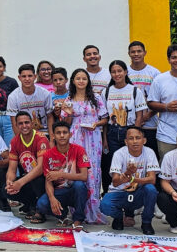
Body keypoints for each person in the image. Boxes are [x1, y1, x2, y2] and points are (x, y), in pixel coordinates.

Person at [65, 69, 107, 224]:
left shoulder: (96, 97)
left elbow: (105, 118)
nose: (81, 81)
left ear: (88, 81)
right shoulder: (69, 98)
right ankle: (77, 211)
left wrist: (96, 124)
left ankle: (93, 211)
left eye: (84, 78)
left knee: (92, 171)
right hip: (75, 137)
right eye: (78, 78)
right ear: (73, 81)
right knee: (76, 169)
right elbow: (66, 123)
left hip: (93, 137)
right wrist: (68, 113)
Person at [102, 126, 159, 233]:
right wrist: (127, 173)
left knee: (151, 189)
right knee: (105, 205)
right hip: (120, 192)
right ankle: (119, 217)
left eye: (138, 138)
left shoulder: (149, 152)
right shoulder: (119, 154)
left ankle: (146, 222)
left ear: (144, 140)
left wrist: (133, 179)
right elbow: (115, 182)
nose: (135, 141)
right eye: (131, 138)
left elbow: (152, 180)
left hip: (138, 193)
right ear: (126, 141)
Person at [102, 60, 150, 191]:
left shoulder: (135, 91)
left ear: (125, 72)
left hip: (129, 131)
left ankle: (132, 191)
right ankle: (111, 193)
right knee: (113, 164)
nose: (117, 74)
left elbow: (140, 115)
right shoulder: (106, 92)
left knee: (130, 163)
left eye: (119, 71)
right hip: (111, 133)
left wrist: (134, 134)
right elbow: (105, 117)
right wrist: (105, 139)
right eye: (113, 71)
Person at [36, 121, 90, 229]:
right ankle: (64, 214)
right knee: (41, 204)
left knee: (79, 185)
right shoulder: (48, 155)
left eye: (65, 132)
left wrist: (61, 174)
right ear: (53, 136)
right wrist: (52, 198)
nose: (62, 135)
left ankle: (78, 219)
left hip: (75, 190)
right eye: (58, 133)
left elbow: (84, 176)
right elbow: (48, 181)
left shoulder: (79, 150)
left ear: (70, 135)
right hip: (59, 191)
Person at [5, 111, 49, 222]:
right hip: (28, 178)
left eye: (27, 122)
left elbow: (40, 168)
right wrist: (10, 182)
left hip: (45, 178)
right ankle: (32, 205)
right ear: (16, 125)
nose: (24, 126)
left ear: (32, 123)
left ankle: (41, 211)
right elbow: (11, 168)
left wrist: (19, 183)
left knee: (37, 179)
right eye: (20, 123)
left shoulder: (41, 138)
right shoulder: (14, 141)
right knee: (5, 190)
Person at [127, 41, 160, 150]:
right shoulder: (124, 73)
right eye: (133, 52)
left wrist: (147, 116)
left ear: (145, 53)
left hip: (150, 125)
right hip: (130, 124)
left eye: (139, 51)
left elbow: (160, 99)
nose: (136, 54)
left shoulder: (155, 73)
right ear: (129, 54)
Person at [7, 63, 53, 136]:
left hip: (44, 133)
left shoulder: (45, 93)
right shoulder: (13, 97)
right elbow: (14, 122)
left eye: (30, 76)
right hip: (24, 135)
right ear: (19, 78)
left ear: (35, 76)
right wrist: (20, 141)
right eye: (24, 76)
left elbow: (50, 117)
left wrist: (51, 139)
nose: (27, 79)